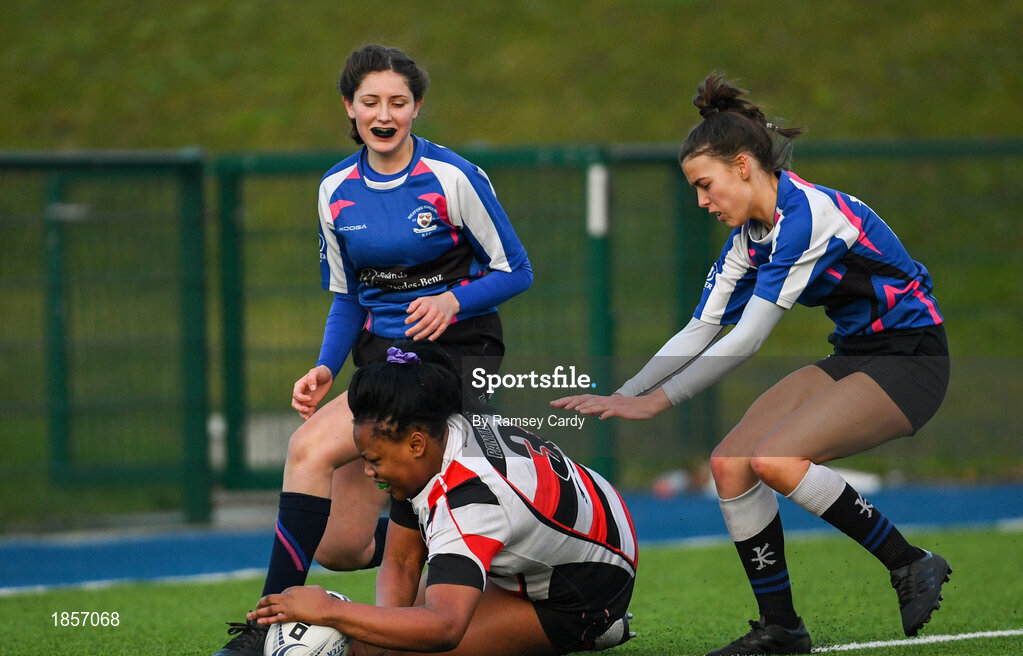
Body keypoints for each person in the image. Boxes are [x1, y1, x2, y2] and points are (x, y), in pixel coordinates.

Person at [551, 74, 952, 656]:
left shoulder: (807, 217)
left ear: (743, 166)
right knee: (731, 463)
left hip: (914, 361)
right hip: (859, 356)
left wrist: (658, 401)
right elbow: (701, 328)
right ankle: (781, 629)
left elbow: (747, 339)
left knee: (776, 458)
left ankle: (911, 563)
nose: (701, 201)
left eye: (705, 185)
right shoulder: (750, 237)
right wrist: (627, 391)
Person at [213, 44, 532, 656]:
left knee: (306, 449)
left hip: (456, 348)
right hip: (379, 355)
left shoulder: (452, 178)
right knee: (341, 544)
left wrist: (452, 302)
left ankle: (263, 626)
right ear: (350, 108)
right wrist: (325, 368)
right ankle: (453, 545)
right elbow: (347, 298)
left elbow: (515, 271)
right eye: (371, 102)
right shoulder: (336, 188)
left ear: (416, 109)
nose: (384, 114)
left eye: (398, 102)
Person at [248, 342, 638, 655]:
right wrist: (378, 633)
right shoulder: (438, 432)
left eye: (374, 460)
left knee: (413, 646)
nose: (367, 472)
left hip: (590, 586)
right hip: (583, 526)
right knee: (386, 637)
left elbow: (444, 629)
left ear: (415, 444)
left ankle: (597, 629)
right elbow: (401, 559)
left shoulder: (470, 501)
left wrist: (335, 612)